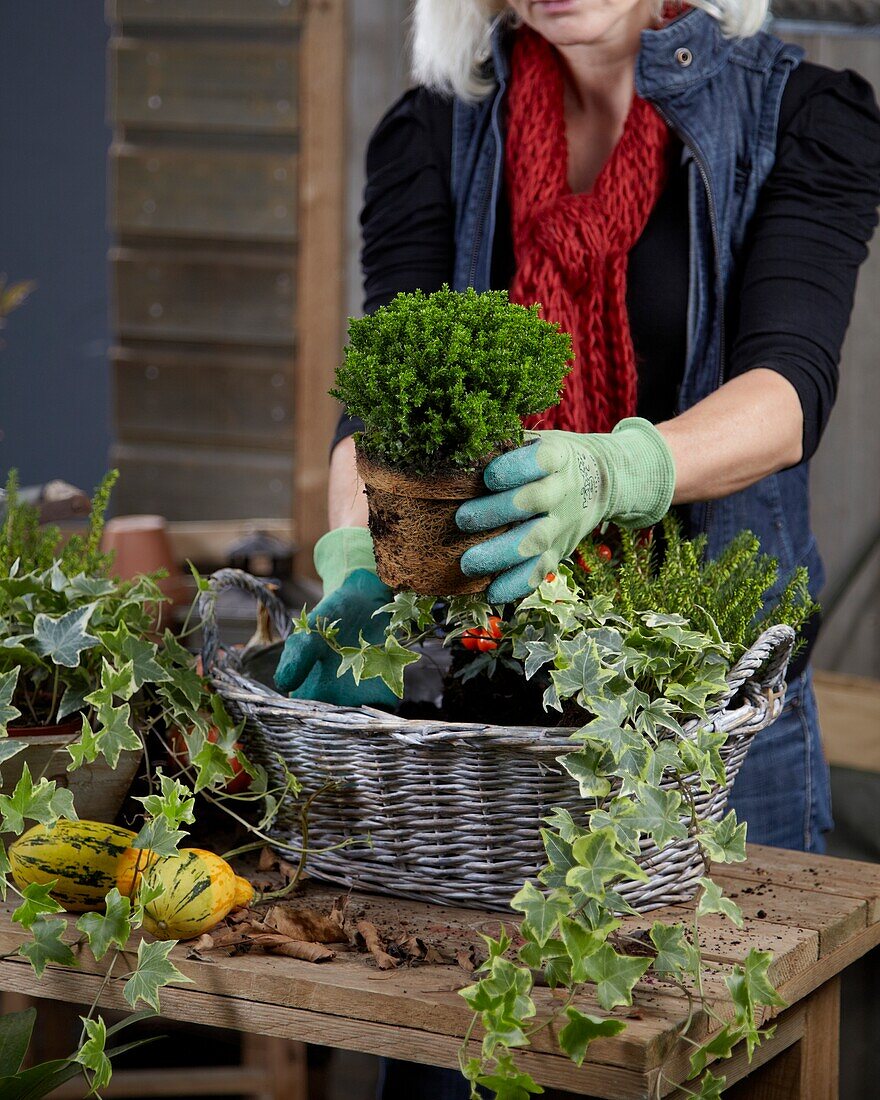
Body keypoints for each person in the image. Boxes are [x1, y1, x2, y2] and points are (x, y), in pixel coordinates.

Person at [276, 2, 878, 1086]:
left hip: (713, 727)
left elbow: (787, 391)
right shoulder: (439, 129)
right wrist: (361, 556)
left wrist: (612, 472)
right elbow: (378, 403)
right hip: (483, 725)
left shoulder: (802, 115)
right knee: (464, 1049)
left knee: (705, 1049)